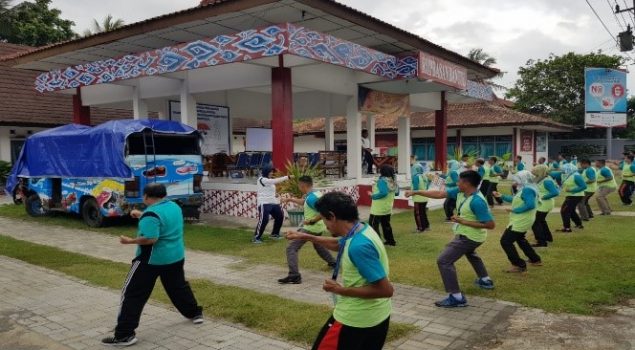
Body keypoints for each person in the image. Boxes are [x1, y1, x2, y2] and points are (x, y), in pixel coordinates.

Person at [285, 192, 393, 350]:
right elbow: (339, 244)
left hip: (354, 319)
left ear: (332, 216)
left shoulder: (359, 246)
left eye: (323, 219)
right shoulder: (361, 229)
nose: (325, 226)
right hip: (377, 316)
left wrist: (340, 290)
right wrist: (306, 236)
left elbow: (385, 289)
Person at [101, 183, 203, 346]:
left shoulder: (151, 214)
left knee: (132, 293)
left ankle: (124, 335)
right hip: (175, 256)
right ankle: (195, 313)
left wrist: (129, 241)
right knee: (178, 287)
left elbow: (151, 238)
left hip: (151, 259)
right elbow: (162, 221)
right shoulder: (174, 206)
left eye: (144, 196)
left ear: (147, 197)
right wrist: (142, 215)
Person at [405, 170, 496, 308]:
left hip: (470, 237)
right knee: (470, 253)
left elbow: (490, 224)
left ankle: (456, 297)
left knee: (444, 260)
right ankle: (485, 280)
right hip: (468, 234)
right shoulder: (461, 192)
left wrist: (464, 222)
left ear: (467, 183)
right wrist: (416, 192)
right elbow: (439, 194)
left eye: (459, 181)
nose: (457, 183)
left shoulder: (477, 201)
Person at [278, 176, 336, 284]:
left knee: (291, 248)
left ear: (303, 186)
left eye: (299, 186)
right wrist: (290, 199)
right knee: (318, 245)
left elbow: (324, 211)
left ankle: (294, 275)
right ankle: (333, 262)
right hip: (317, 227)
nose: (299, 188)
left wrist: (311, 221)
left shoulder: (312, 198)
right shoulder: (314, 194)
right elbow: (304, 202)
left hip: (310, 228)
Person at [493, 171, 542, 273]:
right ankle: (535, 259)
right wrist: (501, 196)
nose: (515, 182)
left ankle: (519, 265)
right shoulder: (525, 188)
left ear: (523, 179)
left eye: (517, 179)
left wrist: (515, 210)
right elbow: (515, 199)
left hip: (522, 220)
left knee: (506, 241)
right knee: (520, 238)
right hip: (522, 219)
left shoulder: (528, 189)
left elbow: (530, 205)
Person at [253, 165, 291, 244]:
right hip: (264, 203)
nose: (271, 173)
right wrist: (287, 177)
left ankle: (274, 234)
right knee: (264, 220)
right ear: (266, 172)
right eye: (270, 171)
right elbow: (273, 181)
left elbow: (269, 188)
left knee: (280, 216)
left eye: (272, 172)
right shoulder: (261, 179)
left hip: (273, 202)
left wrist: (275, 194)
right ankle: (256, 237)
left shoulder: (269, 180)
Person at [368, 165, 399, 246]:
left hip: (378, 209)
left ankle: (377, 243)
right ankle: (391, 241)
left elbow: (384, 193)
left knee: (373, 225)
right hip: (387, 208)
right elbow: (397, 193)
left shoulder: (382, 181)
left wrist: (373, 196)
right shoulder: (393, 181)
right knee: (386, 225)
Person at [531, 165, 560, 247]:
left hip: (544, 204)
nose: (534, 175)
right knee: (541, 221)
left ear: (540, 172)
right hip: (542, 204)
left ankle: (541, 241)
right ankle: (548, 237)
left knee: (535, 222)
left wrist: (542, 197)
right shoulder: (543, 179)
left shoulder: (547, 181)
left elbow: (555, 192)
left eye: (536, 173)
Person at [556, 163, 587, 233]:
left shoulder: (576, 176)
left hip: (575, 196)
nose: (563, 172)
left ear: (569, 169)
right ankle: (579, 224)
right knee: (571, 210)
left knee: (564, 211)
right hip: (572, 196)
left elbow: (584, 186)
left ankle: (567, 228)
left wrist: (572, 190)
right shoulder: (570, 175)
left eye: (564, 170)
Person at [411, 160, 431, 233]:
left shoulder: (416, 177)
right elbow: (427, 187)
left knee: (418, 214)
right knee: (423, 213)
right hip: (425, 197)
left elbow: (415, 188)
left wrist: (410, 192)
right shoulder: (424, 176)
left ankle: (420, 228)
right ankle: (426, 226)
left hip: (418, 198)